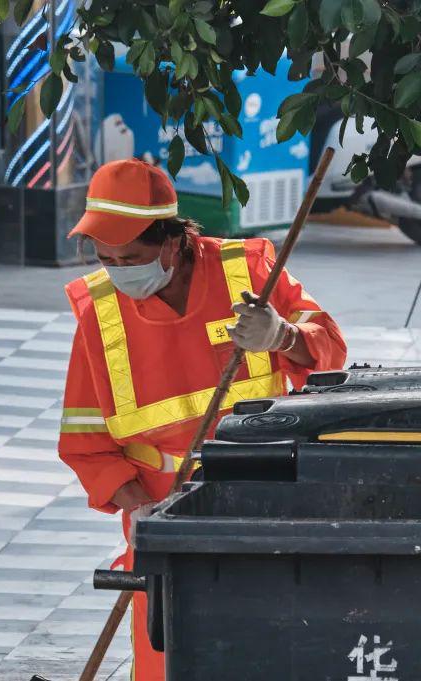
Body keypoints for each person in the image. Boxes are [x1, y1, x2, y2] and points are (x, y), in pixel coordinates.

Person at [58, 158, 347, 680]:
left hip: (263, 506)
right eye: (106, 259)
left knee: (266, 653)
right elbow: (87, 445)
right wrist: (141, 510)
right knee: (170, 660)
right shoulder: (98, 314)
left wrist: (284, 336)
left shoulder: (249, 272)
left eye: (131, 256)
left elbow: (331, 352)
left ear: (171, 241)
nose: (119, 270)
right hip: (162, 523)